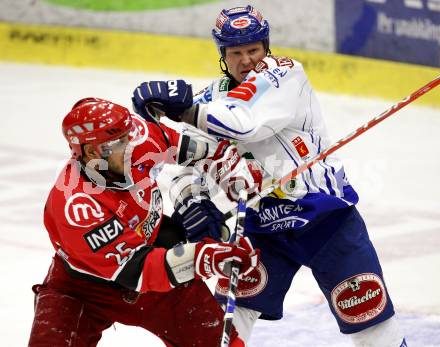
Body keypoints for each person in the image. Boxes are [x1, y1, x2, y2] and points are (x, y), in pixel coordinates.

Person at [131, 5, 407, 347]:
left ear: (266, 48)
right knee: (222, 324)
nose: (247, 60)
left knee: (370, 324)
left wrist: (183, 110)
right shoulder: (209, 100)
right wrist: (193, 198)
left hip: (325, 221)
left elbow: (246, 121)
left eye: (254, 50)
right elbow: (181, 161)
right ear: (223, 55)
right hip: (262, 229)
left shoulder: (285, 74)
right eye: (236, 53)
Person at [27, 97, 260, 346]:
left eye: (130, 135)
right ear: (93, 152)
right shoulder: (75, 205)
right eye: (120, 143)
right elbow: (136, 270)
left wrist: (227, 164)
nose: (132, 146)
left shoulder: (135, 137)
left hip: (155, 254)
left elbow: (188, 147)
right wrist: (203, 257)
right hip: (83, 287)